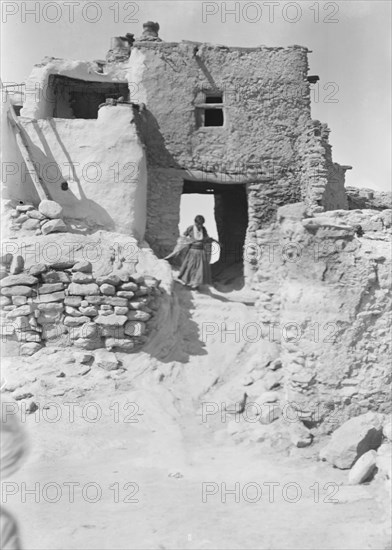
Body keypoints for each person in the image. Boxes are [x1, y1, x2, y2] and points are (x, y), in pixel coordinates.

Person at [169, 215, 214, 290]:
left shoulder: (203, 229)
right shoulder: (190, 228)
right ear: (195, 222)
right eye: (198, 224)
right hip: (192, 251)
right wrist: (188, 242)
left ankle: (196, 285)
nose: (199, 226)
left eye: (201, 224)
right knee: (190, 267)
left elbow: (206, 238)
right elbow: (183, 237)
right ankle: (189, 282)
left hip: (201, 252)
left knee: (200, 269)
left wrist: (209, 240)